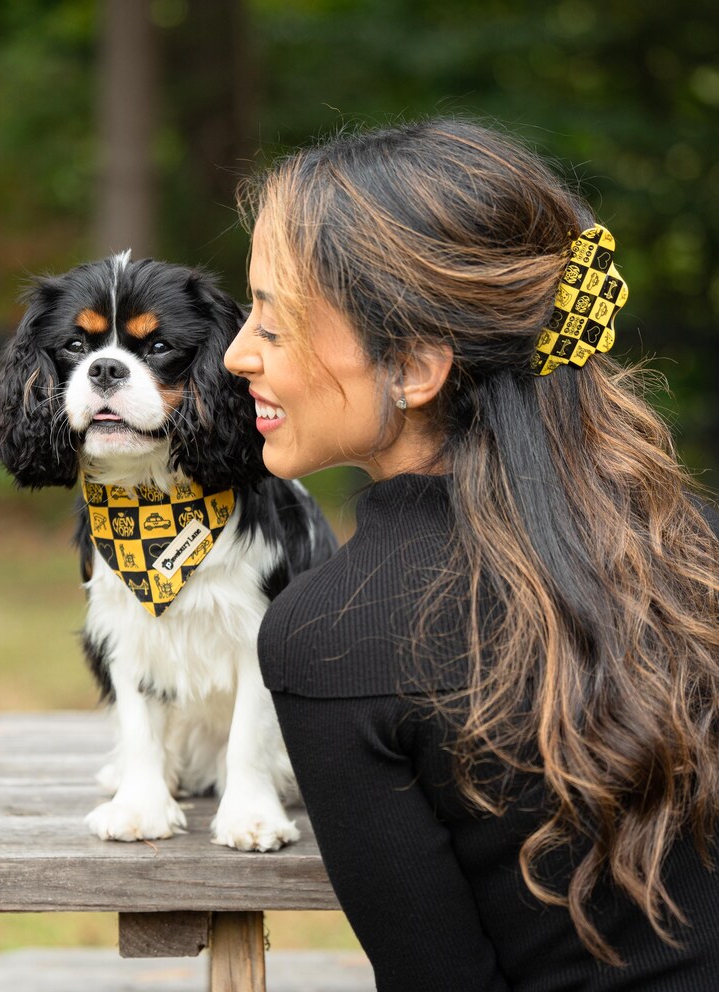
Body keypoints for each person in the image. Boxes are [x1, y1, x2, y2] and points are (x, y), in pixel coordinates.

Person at [223, 118, 719, 991]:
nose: (236, 354)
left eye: (276, 319)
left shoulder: (333, 637)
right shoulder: (691, 549)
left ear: (413, 367)